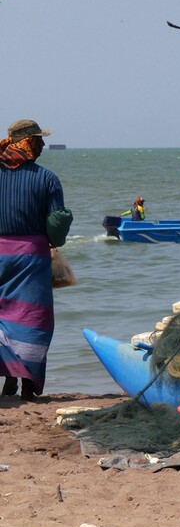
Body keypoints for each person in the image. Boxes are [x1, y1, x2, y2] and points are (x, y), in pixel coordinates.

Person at [0, 119, 73, 401]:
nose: (42, 145)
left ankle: (9, 382)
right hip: (31, 257)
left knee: (4, 319)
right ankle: (28, 385)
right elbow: (57, 222)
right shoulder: (46, 178)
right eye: (38, 140)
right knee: (32, 320)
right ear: (28, 143)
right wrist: (56, 235)